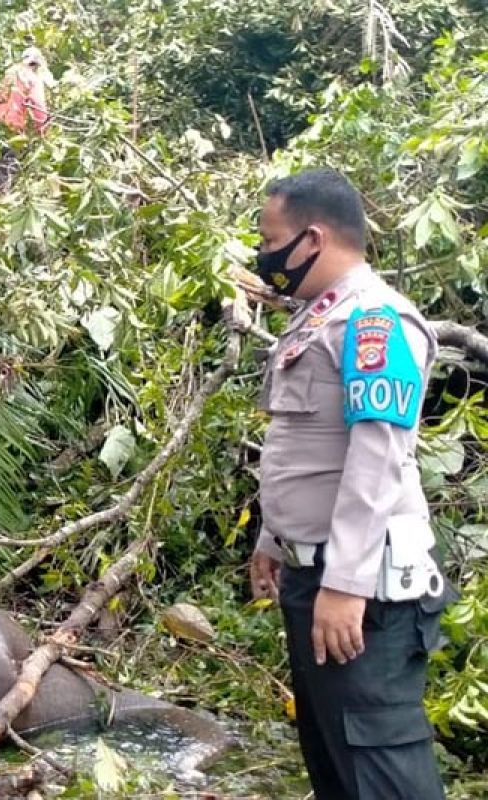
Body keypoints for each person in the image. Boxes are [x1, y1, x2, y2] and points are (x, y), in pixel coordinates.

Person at [235, 167, 454, 800]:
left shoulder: (375, 320)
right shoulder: (316, 318)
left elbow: (376, 457)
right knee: (335, 765)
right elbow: (304, 452)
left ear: (312, 238)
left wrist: (345, 586)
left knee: (380, 771)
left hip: (365, 592)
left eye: (271, 239)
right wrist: (274, 542)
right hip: (316, 577)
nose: (264, 255)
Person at [0, 46, 53, 134]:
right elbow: (38, 105)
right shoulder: (33, 79)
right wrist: (42, 129)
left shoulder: (8, 74)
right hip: (13, 127)